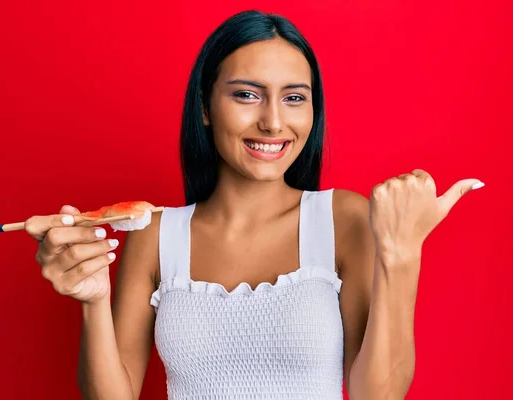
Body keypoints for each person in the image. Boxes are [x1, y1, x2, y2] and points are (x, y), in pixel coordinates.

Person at [25, 10, 484, 400]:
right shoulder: (156, 233)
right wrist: (93, 301)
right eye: (246, 94)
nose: (273, 122)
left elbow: (376, 395)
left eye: (294, 98)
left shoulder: (342, 219)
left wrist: (401, 254)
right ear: (205, 106)